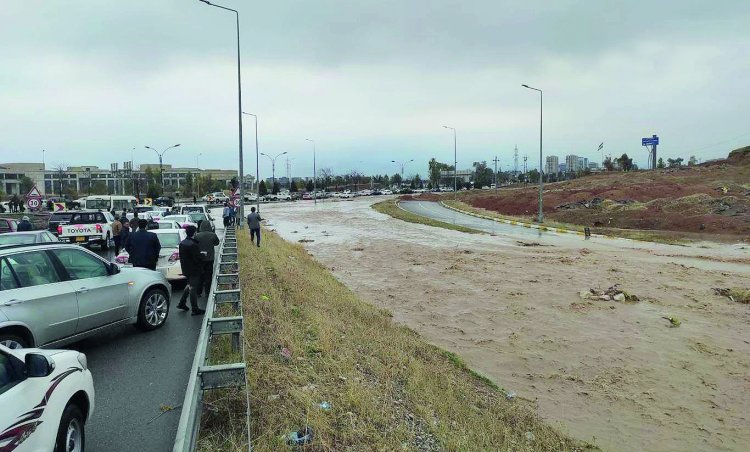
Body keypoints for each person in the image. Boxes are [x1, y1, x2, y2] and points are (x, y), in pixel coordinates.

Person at [177, 225, 205, 315]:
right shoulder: (193, 244)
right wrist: (203, 255)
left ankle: (182, 303)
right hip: (194, 269)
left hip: (186, 268)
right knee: (193, 288)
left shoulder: (182, 243)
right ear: (194, 233)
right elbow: (197, 258)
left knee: (189, 285)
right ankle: (195, 308)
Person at [195, 219, 220, 296]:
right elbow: (217, 243)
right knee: (208, 276)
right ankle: (207, 292)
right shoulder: (213, 235)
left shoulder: (197, 235)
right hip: (210, 258)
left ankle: (198, 292)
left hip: (200, 259)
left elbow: (194, 245)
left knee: (200, 276)